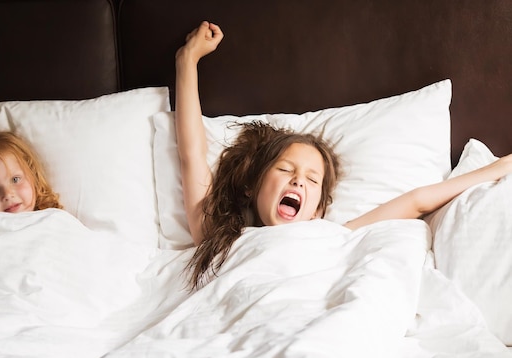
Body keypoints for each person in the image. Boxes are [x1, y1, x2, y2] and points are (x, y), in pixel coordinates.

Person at [176, 21, 512, 290]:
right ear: (251, 185)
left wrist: (497, 167)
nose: (298, 180)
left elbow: (417, 201)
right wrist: (187, 60)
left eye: (311, 179)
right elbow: (193, 154)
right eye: (285, 169)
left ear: (318, 210)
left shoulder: (331, 235)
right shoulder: (220, 238)